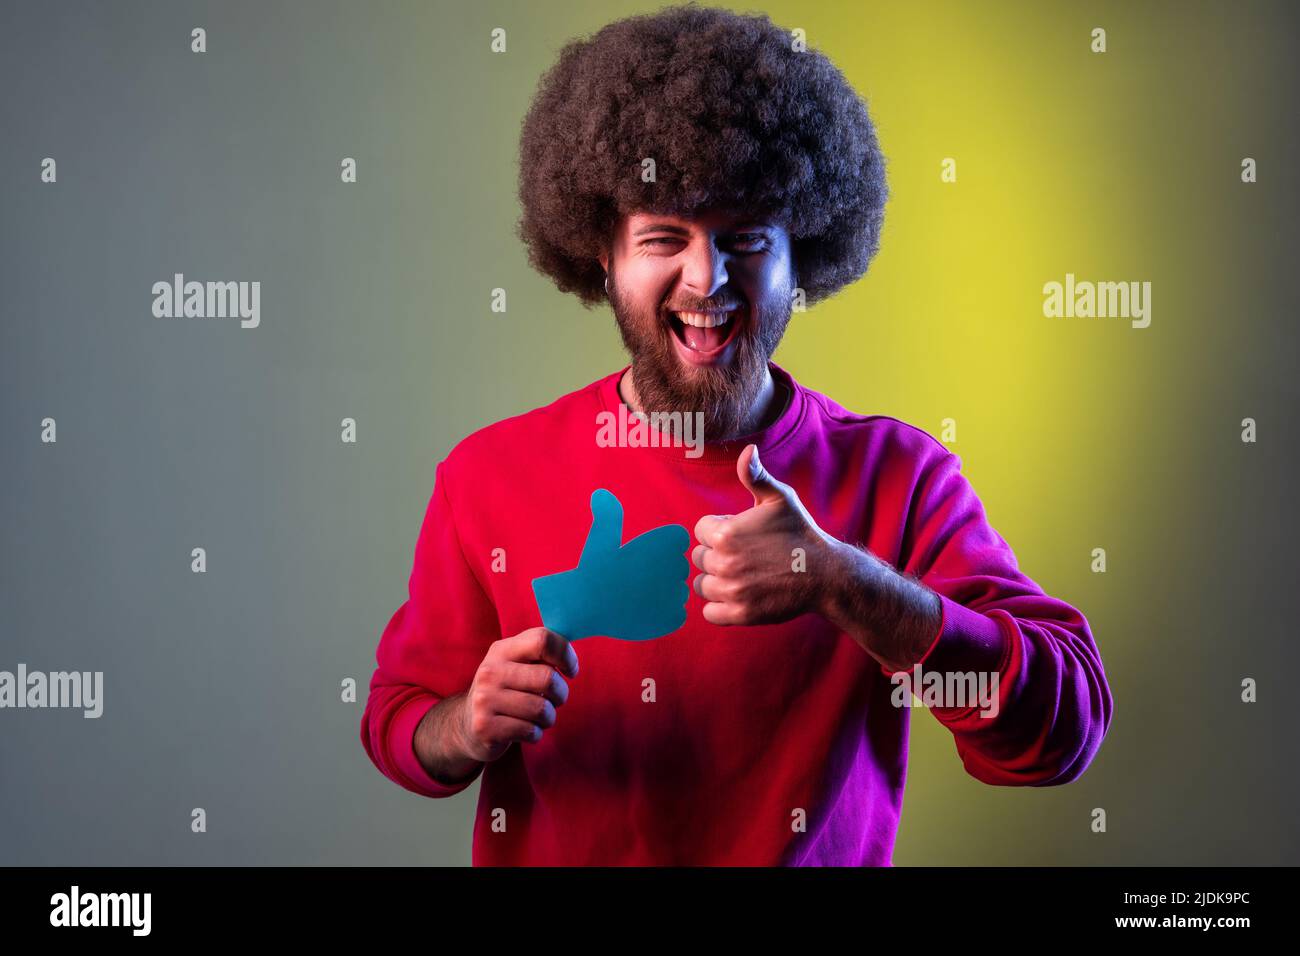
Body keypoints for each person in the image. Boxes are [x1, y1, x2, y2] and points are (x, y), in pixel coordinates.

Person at [360, 3, 1112, 865]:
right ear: (601, 256)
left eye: (746, 237)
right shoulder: (487, 476)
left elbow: (1061, 734)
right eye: (662, 237)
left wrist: (843, 581)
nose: (706, 276)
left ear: (804, 258)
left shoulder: (897, 477)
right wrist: (464, 726)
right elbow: (399, 720)